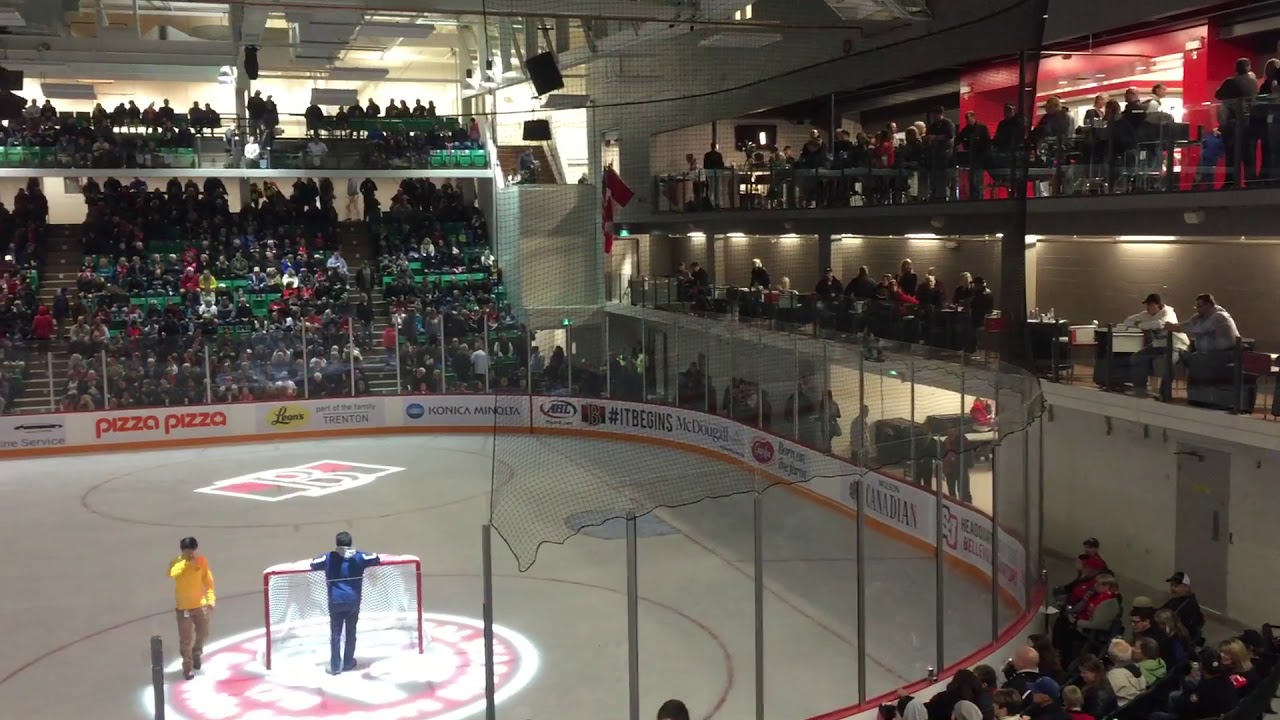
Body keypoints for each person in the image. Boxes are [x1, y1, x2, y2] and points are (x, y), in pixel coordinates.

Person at [310, 531, 382, 674]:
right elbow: (375, 557)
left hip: (335, 601)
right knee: (351, 631)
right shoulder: (359, 557)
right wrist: (357, 553)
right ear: (350, 543)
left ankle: (336, 666)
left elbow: (313, 563)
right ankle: (348, 662)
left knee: (335, 634)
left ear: (337, 543)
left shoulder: (329, 557)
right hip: (353, 600)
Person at [1120, 293, 1189, 399]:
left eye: (1151, 305)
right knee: (1136, 357)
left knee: (1168, 363)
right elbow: (1127, 321)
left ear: (1159, 305)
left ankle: (1164, 394)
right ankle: (1140, 390)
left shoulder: (1168, 312)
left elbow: (1160, 324)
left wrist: (1141, 324)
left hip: (1176, 344)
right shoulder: (1146, 314)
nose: (1148, 308)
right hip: (1158, 345)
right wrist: (1143, 324)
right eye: (1147, 305)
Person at [168, 536, 215, 680]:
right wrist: (185, 562)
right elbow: (172, 573)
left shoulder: (201, 561)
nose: (189, 553)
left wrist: (211, 598)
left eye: (190, 550)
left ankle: (197, 652)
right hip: (184, 609)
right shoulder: (176, 562)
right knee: (186, 639)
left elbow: (208, 581)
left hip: (200, 605)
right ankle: (187, 667)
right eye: (186, 550)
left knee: (204, 632)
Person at [1161, 571, 1205, 645]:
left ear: (1187, 587)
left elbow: (1182, 631)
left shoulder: (1189, 606)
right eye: (1171, 585)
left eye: (1176, 586)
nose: (1172, 588)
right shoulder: (1176, 599)